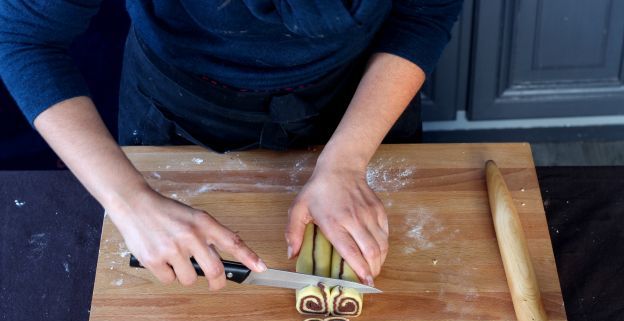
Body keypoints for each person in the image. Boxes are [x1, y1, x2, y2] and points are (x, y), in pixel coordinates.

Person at [0, 0, 462, 290]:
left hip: (365, 93)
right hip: (176, 107)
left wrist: (346, 160)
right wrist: (129, 200)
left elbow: (422, 12)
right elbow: (21, 37)